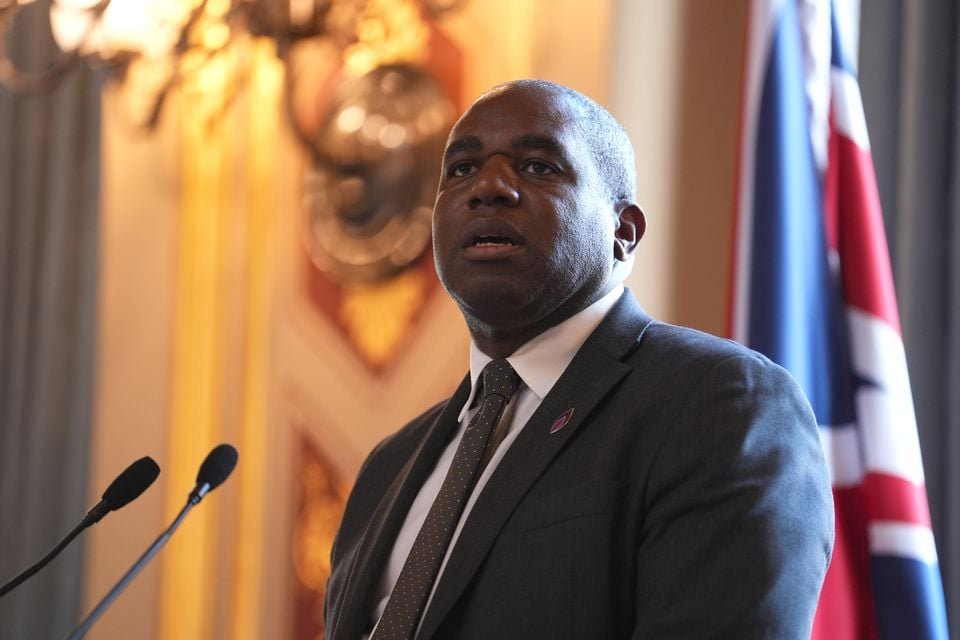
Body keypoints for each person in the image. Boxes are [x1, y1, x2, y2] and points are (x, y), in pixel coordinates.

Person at [324, 79, 834, 640]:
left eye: (538, 167)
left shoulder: (719, 402)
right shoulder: (389, 465)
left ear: (624, 231)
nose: (488, 186)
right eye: (463, 168)